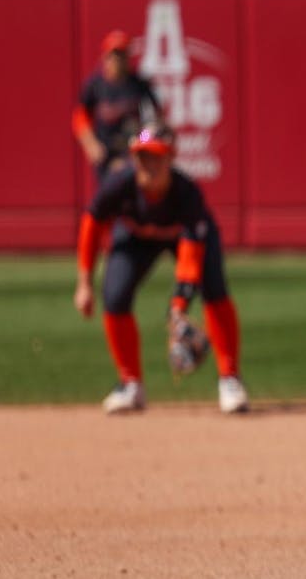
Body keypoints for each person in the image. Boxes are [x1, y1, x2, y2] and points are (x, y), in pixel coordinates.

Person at [72, 127, 249, 415]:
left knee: (214, 289)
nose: (148, 165)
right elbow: (92, 223)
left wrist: (178, 306)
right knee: (114, 295)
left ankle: (230, 379)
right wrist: (84, 283)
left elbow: (191, 256)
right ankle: (130, 384)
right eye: (142, 157)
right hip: (135, 237)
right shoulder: (120, 183)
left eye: (156, 157)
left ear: (171, 158)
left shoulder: (187, 193)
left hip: (184, 239)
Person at [73, 30, 164, 178]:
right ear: (105, 57)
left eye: (122, 55)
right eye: (114, 56)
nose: (118, 60)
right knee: (110, 195)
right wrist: (91, 144)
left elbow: (156, 119)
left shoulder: (140, 84)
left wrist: (143, 141)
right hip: (106, 153)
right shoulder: (95, 85)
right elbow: (80, 117)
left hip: (134, 151)